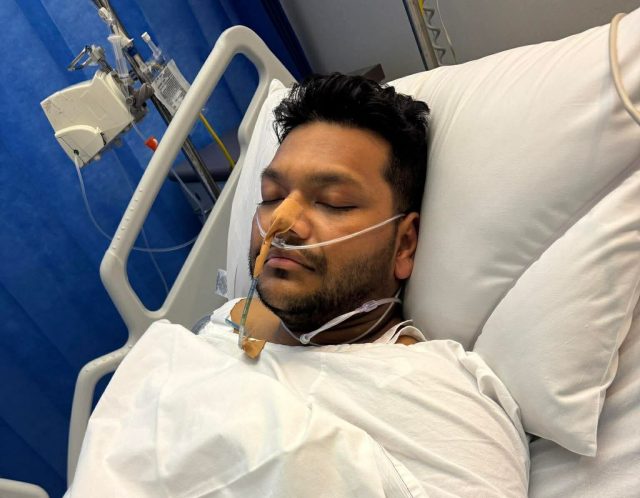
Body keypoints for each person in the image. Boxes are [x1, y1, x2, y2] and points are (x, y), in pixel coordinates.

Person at [65, 74, 529, 497]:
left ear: (404, 244)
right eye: (272, 196)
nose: (281, 223)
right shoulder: (224, 324)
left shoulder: (437, 402)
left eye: (334, 202)